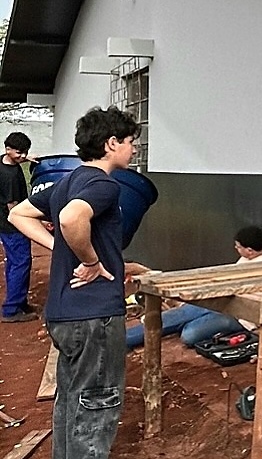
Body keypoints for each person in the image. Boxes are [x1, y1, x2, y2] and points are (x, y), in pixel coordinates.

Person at [7, 106, 149, 459]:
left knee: (71, 400)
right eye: (131, 142)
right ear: (112, 143)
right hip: (94, 316)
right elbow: (72, 219)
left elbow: (18, 213)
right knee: (96, 407)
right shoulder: (103, 183)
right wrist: (88, 259)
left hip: (63, 315)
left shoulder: (64, 182)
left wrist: (65, 250)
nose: (133, 150)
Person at [125, 225, 262, 350]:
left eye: (238, 247)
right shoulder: (248, 258)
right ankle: (125, 340)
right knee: (181, 314)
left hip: (241, 317)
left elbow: (240, 293)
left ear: (250, 250)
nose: (236, 249)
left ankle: (188, 322)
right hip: (223, 303)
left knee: (189, 335)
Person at [1, 131, 36, 322]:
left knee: (14, 263)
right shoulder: (10, 178)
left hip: (4, 225)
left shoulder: (4, 161)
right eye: (20, 153)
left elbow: (16, 157)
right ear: (8, 149)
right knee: (21, 263)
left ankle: (19, 302)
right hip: (14, 226)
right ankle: (12, 309)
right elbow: (13, 208)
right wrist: (29, 224)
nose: (23, 156)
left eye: (25, 152)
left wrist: (26, 158)